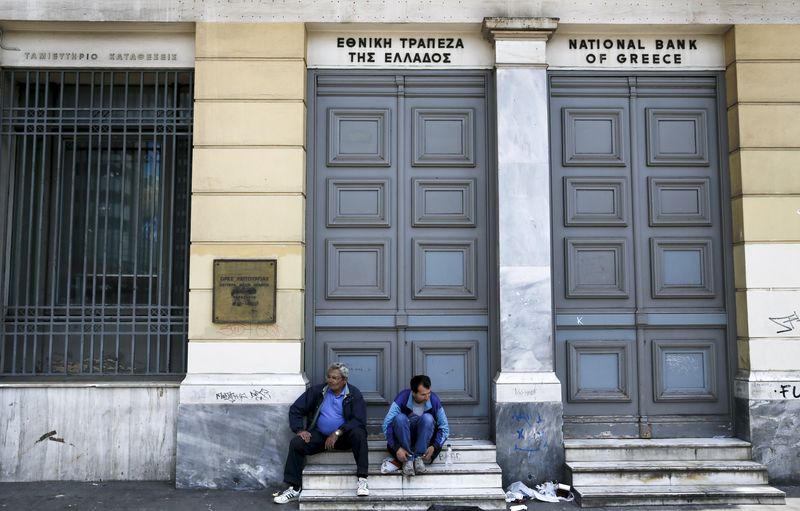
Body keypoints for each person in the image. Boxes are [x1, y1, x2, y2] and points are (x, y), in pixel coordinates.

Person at [273, 363, 369, 504]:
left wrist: (337, 433)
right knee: (297, 443)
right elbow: (295, 409)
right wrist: (300, 430)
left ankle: (362, 480)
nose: (330, 380)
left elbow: (358, 420)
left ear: (344, 380)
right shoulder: (318, 391)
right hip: (320, 436)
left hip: (343, 437)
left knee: (359, 433)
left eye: (334, 378)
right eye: (328, 377)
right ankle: (294, 488)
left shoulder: (354, 394)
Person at [382, 374, 449, 476]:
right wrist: (396, 448)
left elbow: (444, 427)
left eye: (429, 393)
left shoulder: (434, 400)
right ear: (413, 393)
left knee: (428, 418)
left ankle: (418, 459)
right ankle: (407, 460)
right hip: (404, 439)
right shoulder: (402, 398)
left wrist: (434, 446)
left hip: (425, 442)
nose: (427, 397)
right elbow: (387, 424)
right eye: (423, 395)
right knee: (399, 418)